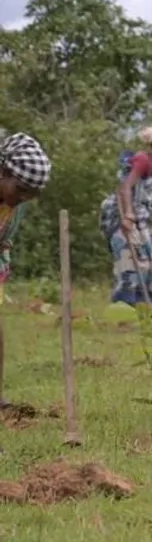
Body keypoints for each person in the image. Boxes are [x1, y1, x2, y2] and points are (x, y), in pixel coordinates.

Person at [99, 125, 152, 305]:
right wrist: (127, 215)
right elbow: (125, 187)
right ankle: (124, 307)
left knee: (150, 262)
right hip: (127, 216)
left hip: (142, 220)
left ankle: (145, 306)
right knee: (130, 264)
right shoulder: (142, 160)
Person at [0, 133, 52, 409]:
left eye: (31, 195)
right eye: (21, 190)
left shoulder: (13, 203)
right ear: (4, 172)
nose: (24, 198)